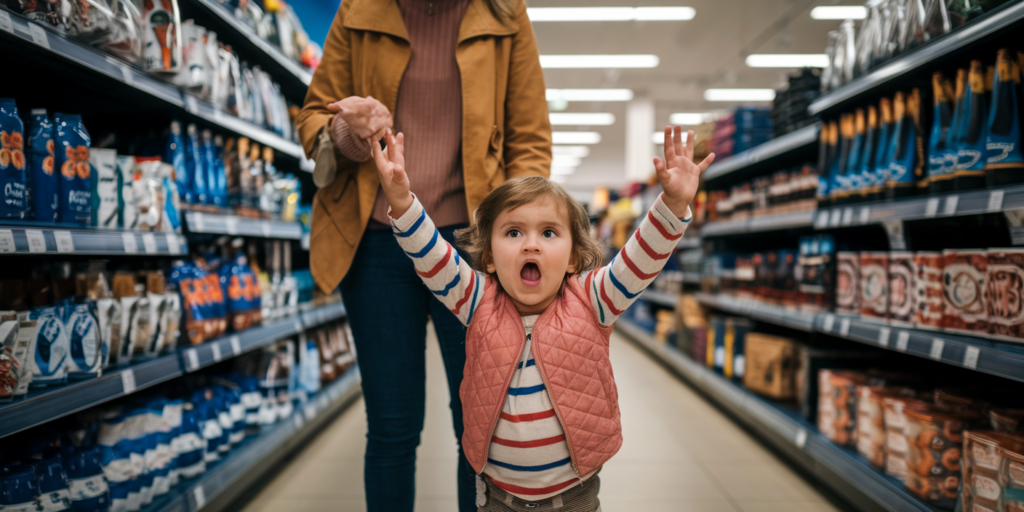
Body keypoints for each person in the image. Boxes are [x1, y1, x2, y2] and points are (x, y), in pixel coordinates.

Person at [371, 125, 714, 511]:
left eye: (549, 232)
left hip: (574, 496)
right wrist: (401, 201)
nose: (531, 243)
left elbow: (640, 260)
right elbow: (432, 255)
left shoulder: (593, 298)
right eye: (513, 232)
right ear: (488, 257)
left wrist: (672, 205)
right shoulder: (477, 299)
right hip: (496, 496)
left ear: (572, 257)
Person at [294, 0, 550, 509]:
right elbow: (313, 122)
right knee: (391, 426)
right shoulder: (360, 10)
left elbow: (529, 140)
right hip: (376, 242)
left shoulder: (504, 13)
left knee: (479, 431)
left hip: (472, 250)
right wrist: (351, 131)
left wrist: (520, 234)